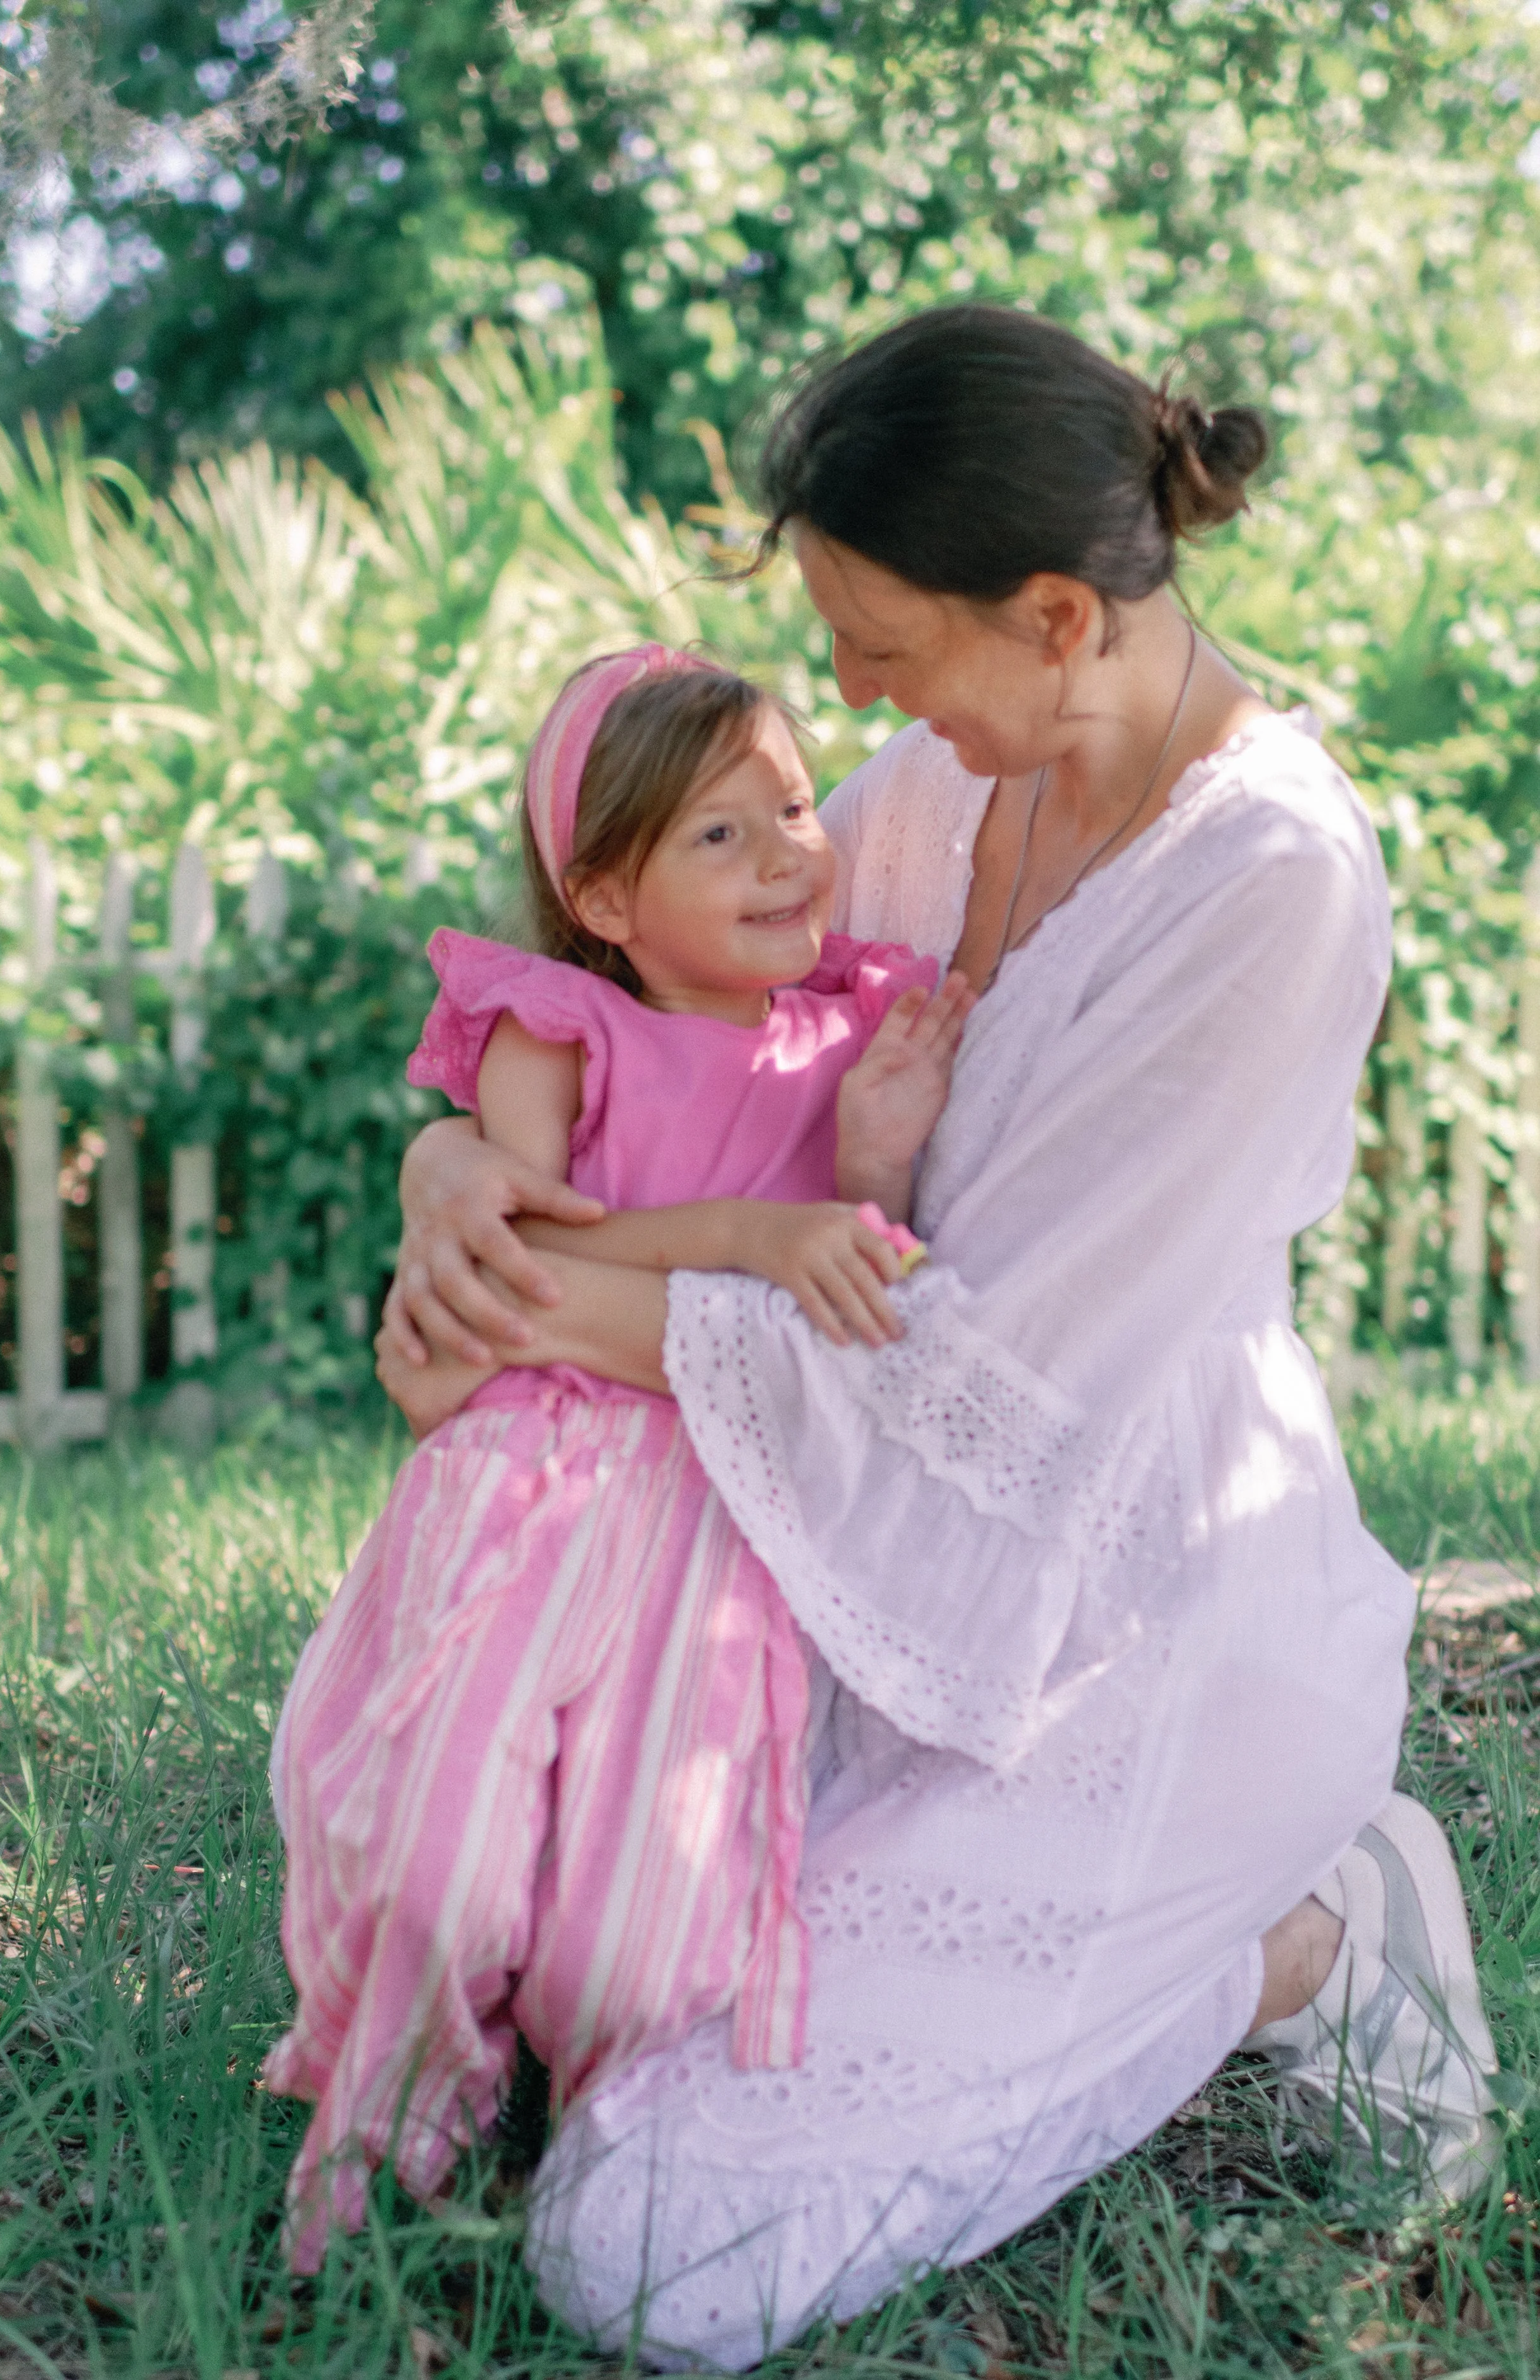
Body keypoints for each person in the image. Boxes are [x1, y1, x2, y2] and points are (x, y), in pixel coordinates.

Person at [377, 307, 1501, 2370]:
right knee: (570, 2051)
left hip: (1134, 1619)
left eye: (881, 647)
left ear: (1058, 611)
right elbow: (650, 1011)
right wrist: (458, 1170)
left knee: (654, 2257)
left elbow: (969, 1388)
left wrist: (525, 1306)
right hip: (839, 1574)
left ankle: (1308, 1940)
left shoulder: (1269, 882)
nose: (849, 697)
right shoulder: (923, 799)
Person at [265, 643, 973, 2273]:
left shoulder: (851, 1031)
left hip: (724, 1519)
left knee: (638, 1958)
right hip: (529, 1481)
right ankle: (380, 2152)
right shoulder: (555, 1031)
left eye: (793, 807)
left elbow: (866, 1286)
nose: (788, 849)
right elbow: (516, 1279)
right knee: (434, 1860)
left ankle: (602, 2138)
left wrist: (870, 1160)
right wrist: (738, 1232)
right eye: (717, 835)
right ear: (597, 896)